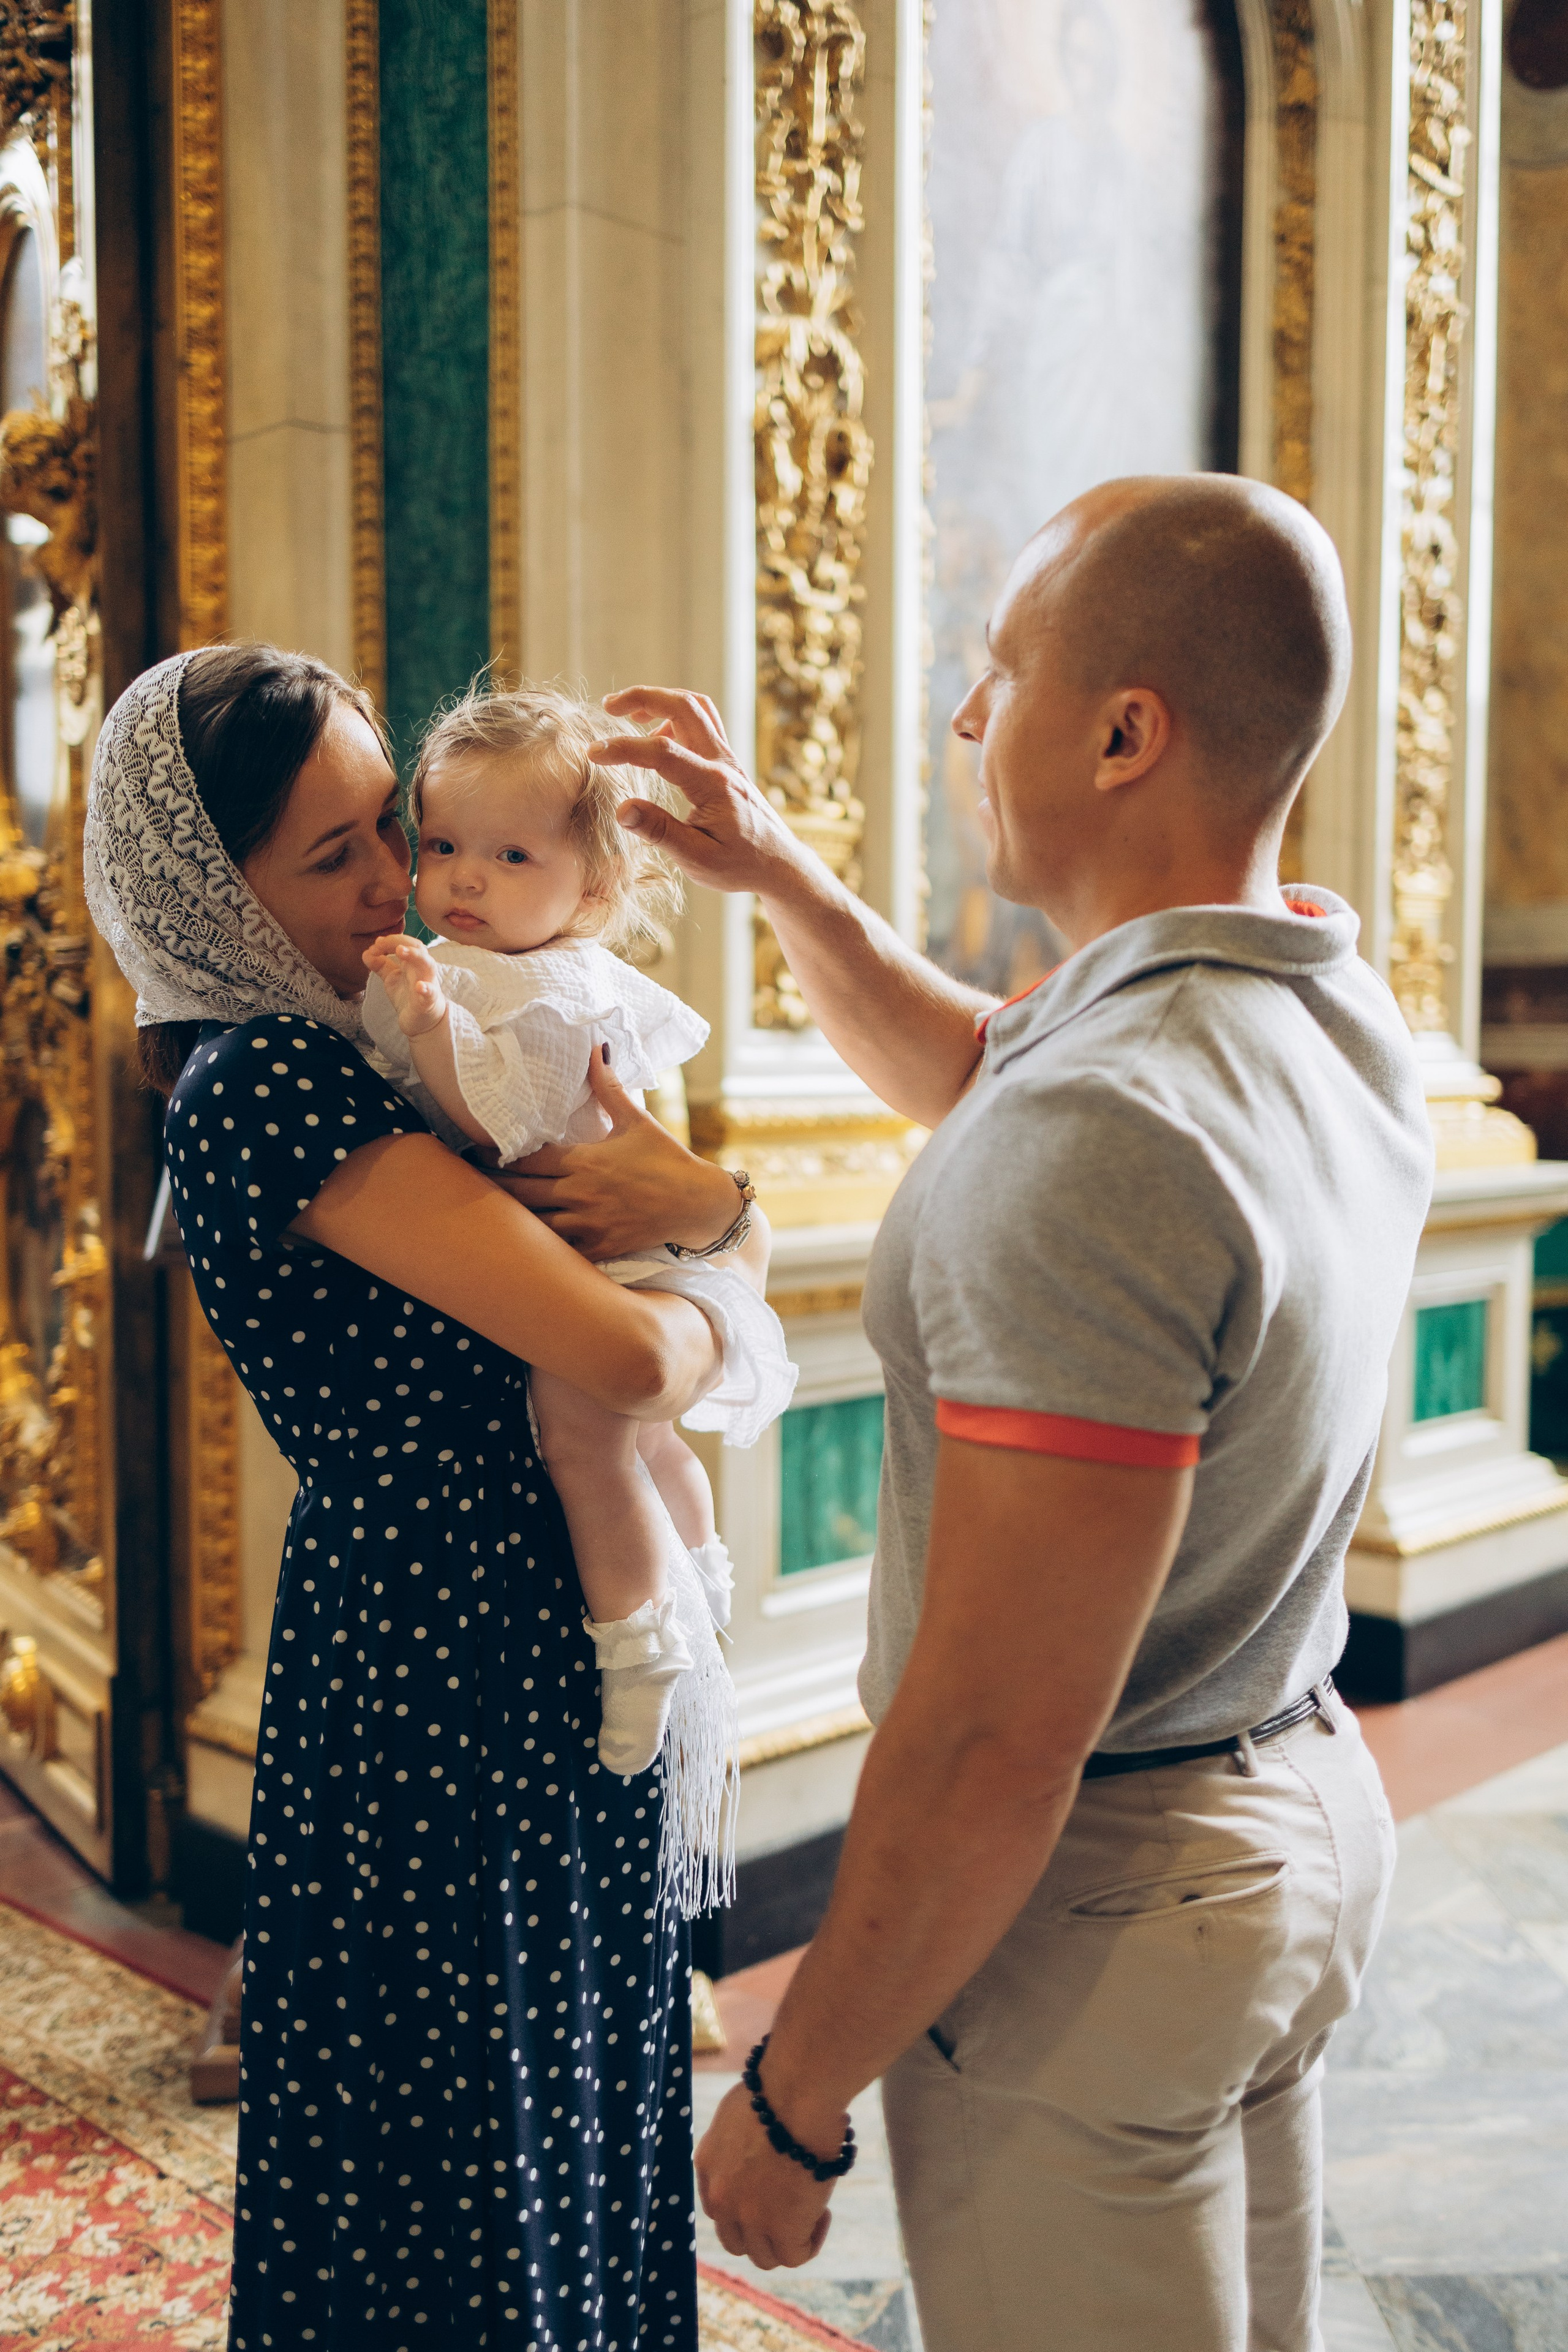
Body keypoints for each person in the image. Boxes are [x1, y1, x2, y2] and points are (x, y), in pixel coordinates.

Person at [541, 475, 1434, 2351]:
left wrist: (795, 2091)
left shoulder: (1102, 1129)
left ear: (1126, 732)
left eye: (998, 669)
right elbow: (982, 1064)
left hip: (1108, 1894)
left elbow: (995, 1739)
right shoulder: (1311, 997)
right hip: (1289, 1812)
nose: (966, 719)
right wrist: (782, 873)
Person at [82, 641, 757, 2352]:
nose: (404, 879)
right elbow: (611, 1358)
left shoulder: (389, 1044)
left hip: (523, 1636)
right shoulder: (269, 1088)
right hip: (434, 1674)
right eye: (336, 856)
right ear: (209, 895)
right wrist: (725, 1247)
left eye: (394, 823)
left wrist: (692, 1221)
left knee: (567, 2094)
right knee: (465, 2154)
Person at [362, 685, 794, 1779]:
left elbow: (495, 1126)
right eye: (446, 844)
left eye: (512, 857)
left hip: (623, 1256)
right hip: (617, 1251)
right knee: (650, 1443)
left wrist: (431, 1028)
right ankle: (694, 1568)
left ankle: (640, 1641)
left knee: (583, 1425)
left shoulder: (550, 995)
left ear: (594, 889)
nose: (461, 878)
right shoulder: (489, 971)